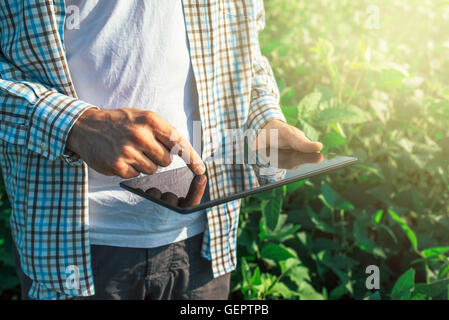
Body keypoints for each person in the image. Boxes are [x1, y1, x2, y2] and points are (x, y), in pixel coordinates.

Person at [0, 0, 323, 300]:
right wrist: (74, 125)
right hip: (74, 248)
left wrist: (263, 120)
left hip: (206, 242)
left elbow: (243, 55)